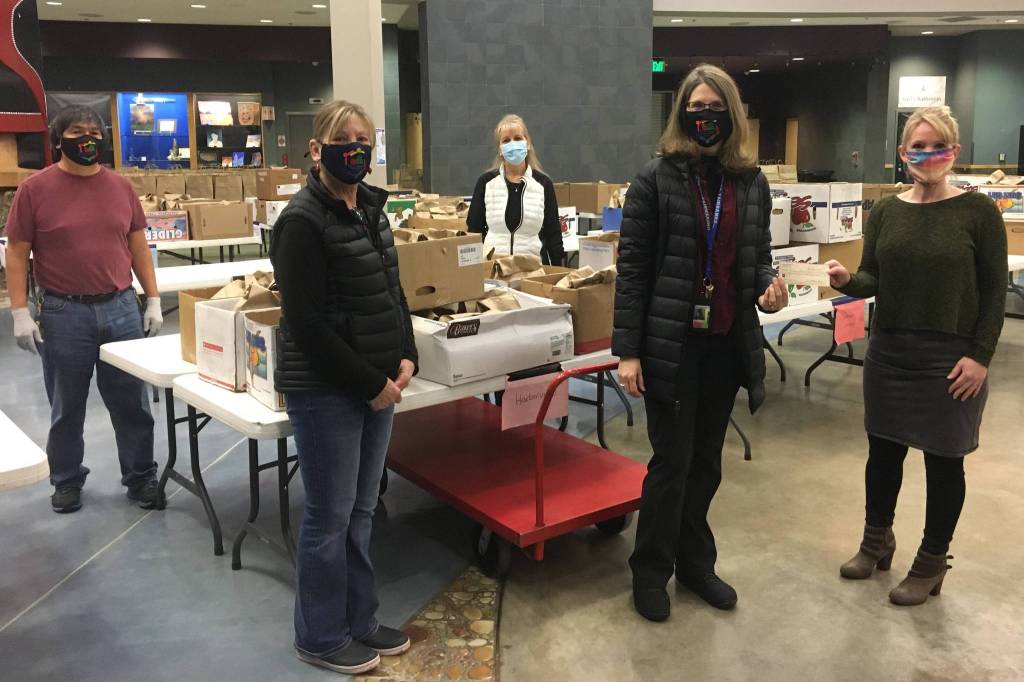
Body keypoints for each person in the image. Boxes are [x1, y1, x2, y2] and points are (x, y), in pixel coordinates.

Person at [613, 64, 788, 622]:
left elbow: (757, 257)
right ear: (682, 114)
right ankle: (650, 571)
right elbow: (633, 271)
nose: (705, 117)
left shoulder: (751, 182)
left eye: (715, 108)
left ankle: (695, 564)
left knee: (707, 463)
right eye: (696, 108)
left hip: (725, 345)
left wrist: (769, 288)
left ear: (731, 115)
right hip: (671, 346)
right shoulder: (655, 179)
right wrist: (628, 351)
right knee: (672, 463)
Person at [829, 106, 1006, 606]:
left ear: (955, 150)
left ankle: (931, 562)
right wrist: (848, 281)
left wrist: (980, 356)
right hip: (889, 352)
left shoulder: (979, 213)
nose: (928, 154)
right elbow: (873, 277)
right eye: (918, 146)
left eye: (937, 145)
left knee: (944, 462)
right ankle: (876, 541)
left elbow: (995, 292)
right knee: (883, 453)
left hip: (949, 359)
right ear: (903, 153)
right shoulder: (887, 211)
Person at [269, 100, 417, 675]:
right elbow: (306, 325)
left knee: (360, 510)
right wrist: (368, 383)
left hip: (379, 385)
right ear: (316, 149)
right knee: (327, 519)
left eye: (363, 140)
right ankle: (320, 635)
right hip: (328, 392)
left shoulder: (373, 209)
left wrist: (406, 354)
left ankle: (360, 619)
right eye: (342, 139)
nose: (354, 149)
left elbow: (393, 293)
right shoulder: (301, 222)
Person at [5, 105, 163, 514]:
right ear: (59, 140)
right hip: (63, 313)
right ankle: (67, 479)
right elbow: (17, 252)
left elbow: (138, 245)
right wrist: (19, 311)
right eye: (78, 132)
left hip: (121, 308)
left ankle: (141, 476)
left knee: (132, 402)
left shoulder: (121, 188)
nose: (89, 139)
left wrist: (153, 298)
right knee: (66, 405)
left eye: (96, 132)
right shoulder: (34, 190)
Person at [467, 114, 565, 265]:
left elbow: (554, 235)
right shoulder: (486, 182)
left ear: (528, 143)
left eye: (518, 138)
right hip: (494, 269)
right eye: (506, 140)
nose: (513, 144)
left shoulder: (543, 184)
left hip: (533, 269)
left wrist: (559, 271)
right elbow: (474, 230)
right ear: (500, 149)